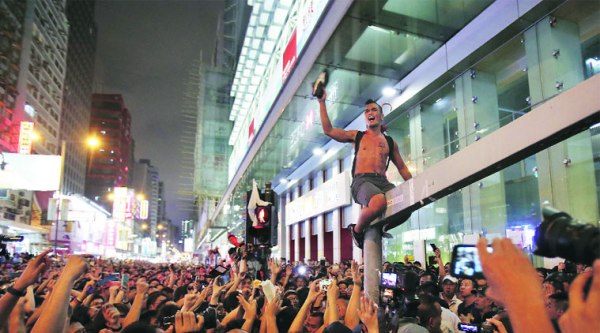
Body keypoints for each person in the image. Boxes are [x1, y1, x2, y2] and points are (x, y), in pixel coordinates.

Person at [318, 90, 412, 248]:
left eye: (374, 110)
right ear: (365, 118)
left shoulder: (390, 142)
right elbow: (329, 130)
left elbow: (402, 167)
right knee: (378, 201)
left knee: (406, 204)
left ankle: (382, 226)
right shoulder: (358, 136)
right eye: (367, 111)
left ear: (381, 116)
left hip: (382, 182)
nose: (370, 112)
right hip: (361, 181)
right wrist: (321, 102)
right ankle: (357, 230)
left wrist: (413, 186)